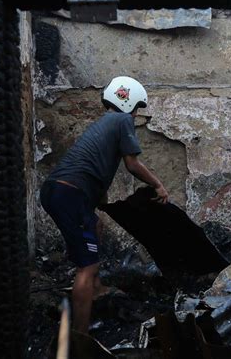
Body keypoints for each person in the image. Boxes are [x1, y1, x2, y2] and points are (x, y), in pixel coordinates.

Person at [40, 76, 169, 334]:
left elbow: (96, 169)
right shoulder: (122, 121)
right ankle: (80, 335)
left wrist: (102, 203)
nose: (135, 115)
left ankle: (96, 288)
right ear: (130, 103)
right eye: (137, 109)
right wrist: (158, 185)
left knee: (95, 225)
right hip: (69, 194)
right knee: (87, 267)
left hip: (59, 191)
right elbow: (132, 164)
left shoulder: (105, 123)